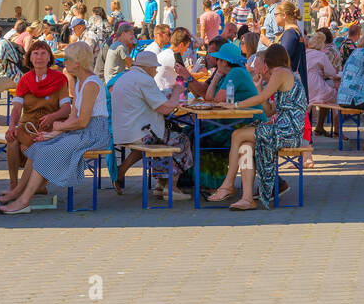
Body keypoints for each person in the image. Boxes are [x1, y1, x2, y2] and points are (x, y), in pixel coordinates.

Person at [0, 42, 112, 213]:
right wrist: (54, 134)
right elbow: (73, 117)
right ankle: (19, 191)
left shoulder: (91, 84)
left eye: (67, 59)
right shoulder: (80, 82)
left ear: (77, 62)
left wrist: (59, 126)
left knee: (44, 151)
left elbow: (83, 121)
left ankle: (23, 200)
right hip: (81, 131)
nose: (64, 62)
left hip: (94, 134)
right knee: (40, 146)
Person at [208, 43, 307, 210]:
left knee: (237, 135)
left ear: (269, 62)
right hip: (284, 128)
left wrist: (235, 105)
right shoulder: (285, 75)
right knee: (245, 146)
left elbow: (261, 99)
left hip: (288, 131)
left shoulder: (280, 72)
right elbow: (268, 111)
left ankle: (228, 185)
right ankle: (247, 199)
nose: (259, 68)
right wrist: (259, 86)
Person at [108, 49, 190, 199]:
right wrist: (177, 92)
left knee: (162, 136)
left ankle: (161, 184)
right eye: (155, 67)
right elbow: (165, 109)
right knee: (180, 140)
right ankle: (171, 188)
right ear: (148, 67)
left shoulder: (125, 77)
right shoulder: (144, 79)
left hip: (123, 131)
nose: (156, 70)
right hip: (140, 132)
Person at [3, 40, 70, 193]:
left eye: (43, 53)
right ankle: (14, 185)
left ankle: (32, 185)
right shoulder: (24, 80)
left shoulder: (59, 79)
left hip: (51, 128)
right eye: (35, 53)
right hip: (28, 126)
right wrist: (12, 126)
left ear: (49, 58)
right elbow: (17, 108)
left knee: (29, 146)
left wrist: (53, 116)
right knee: (12, 140)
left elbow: (66, 109)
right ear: (30, 58)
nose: (39, 57)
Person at [306, 31, 340, 135]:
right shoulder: (321, 55)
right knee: (337, 98)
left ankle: (319, 127)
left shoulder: (304, 53)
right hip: (316, 86)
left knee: (325, 98)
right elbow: (331, 73)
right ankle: (338, 130)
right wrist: (337, 76)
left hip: (305, 87)